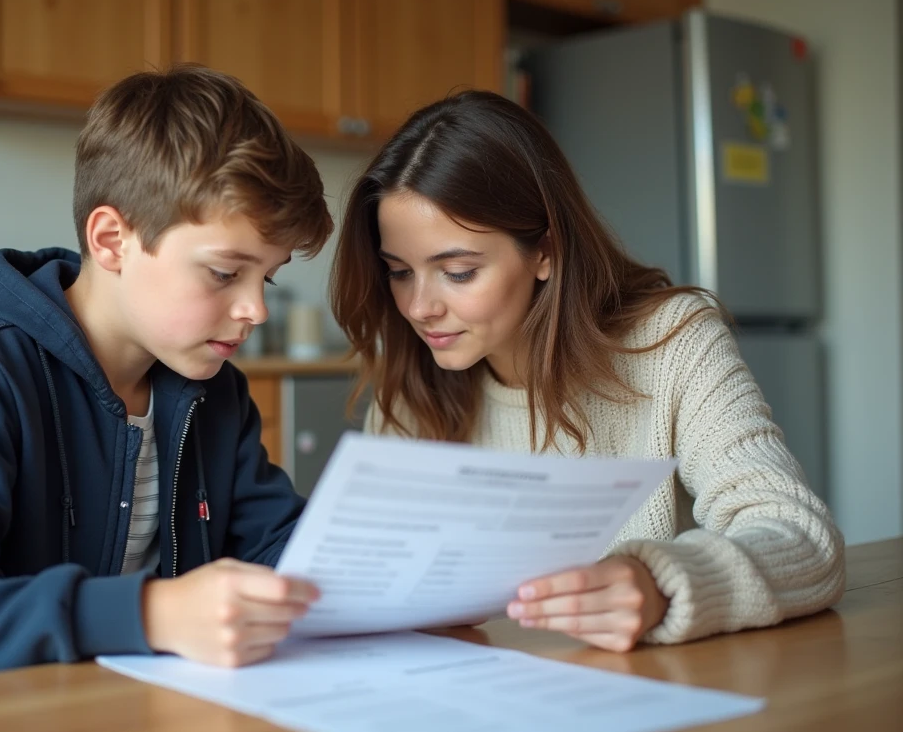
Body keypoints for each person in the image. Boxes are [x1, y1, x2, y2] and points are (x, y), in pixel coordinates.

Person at [0, 65, 332, 692]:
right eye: (226, 274)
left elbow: (276, 546)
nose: (255, 309)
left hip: (102, 712)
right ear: (112, 240)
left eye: (269, 278)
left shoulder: (213, 387)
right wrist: (153, 614)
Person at [329, 90, 844, 652]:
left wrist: (659, 584)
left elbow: (803, 541)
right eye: (399, 272)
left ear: (545, 251)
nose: (419, 307)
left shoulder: (673, 343)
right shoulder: (413, 379)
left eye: (456, 272)